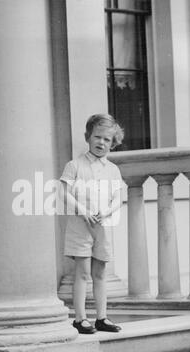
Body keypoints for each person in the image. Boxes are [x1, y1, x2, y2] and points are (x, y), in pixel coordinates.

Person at [60, 114, 124, 334]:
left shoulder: (112, 169)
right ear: (88, 137)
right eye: (97, 137)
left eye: (107, 140)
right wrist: (83, 210)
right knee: (83, 272)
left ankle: (101, 317)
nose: (101, 143)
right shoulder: (75, 165)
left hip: (102, 226)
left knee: (100, 272)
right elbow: (64, 192)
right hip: (80, 224)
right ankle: (80, 318)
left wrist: (106, 211)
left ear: (112, 143)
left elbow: (118, 198)